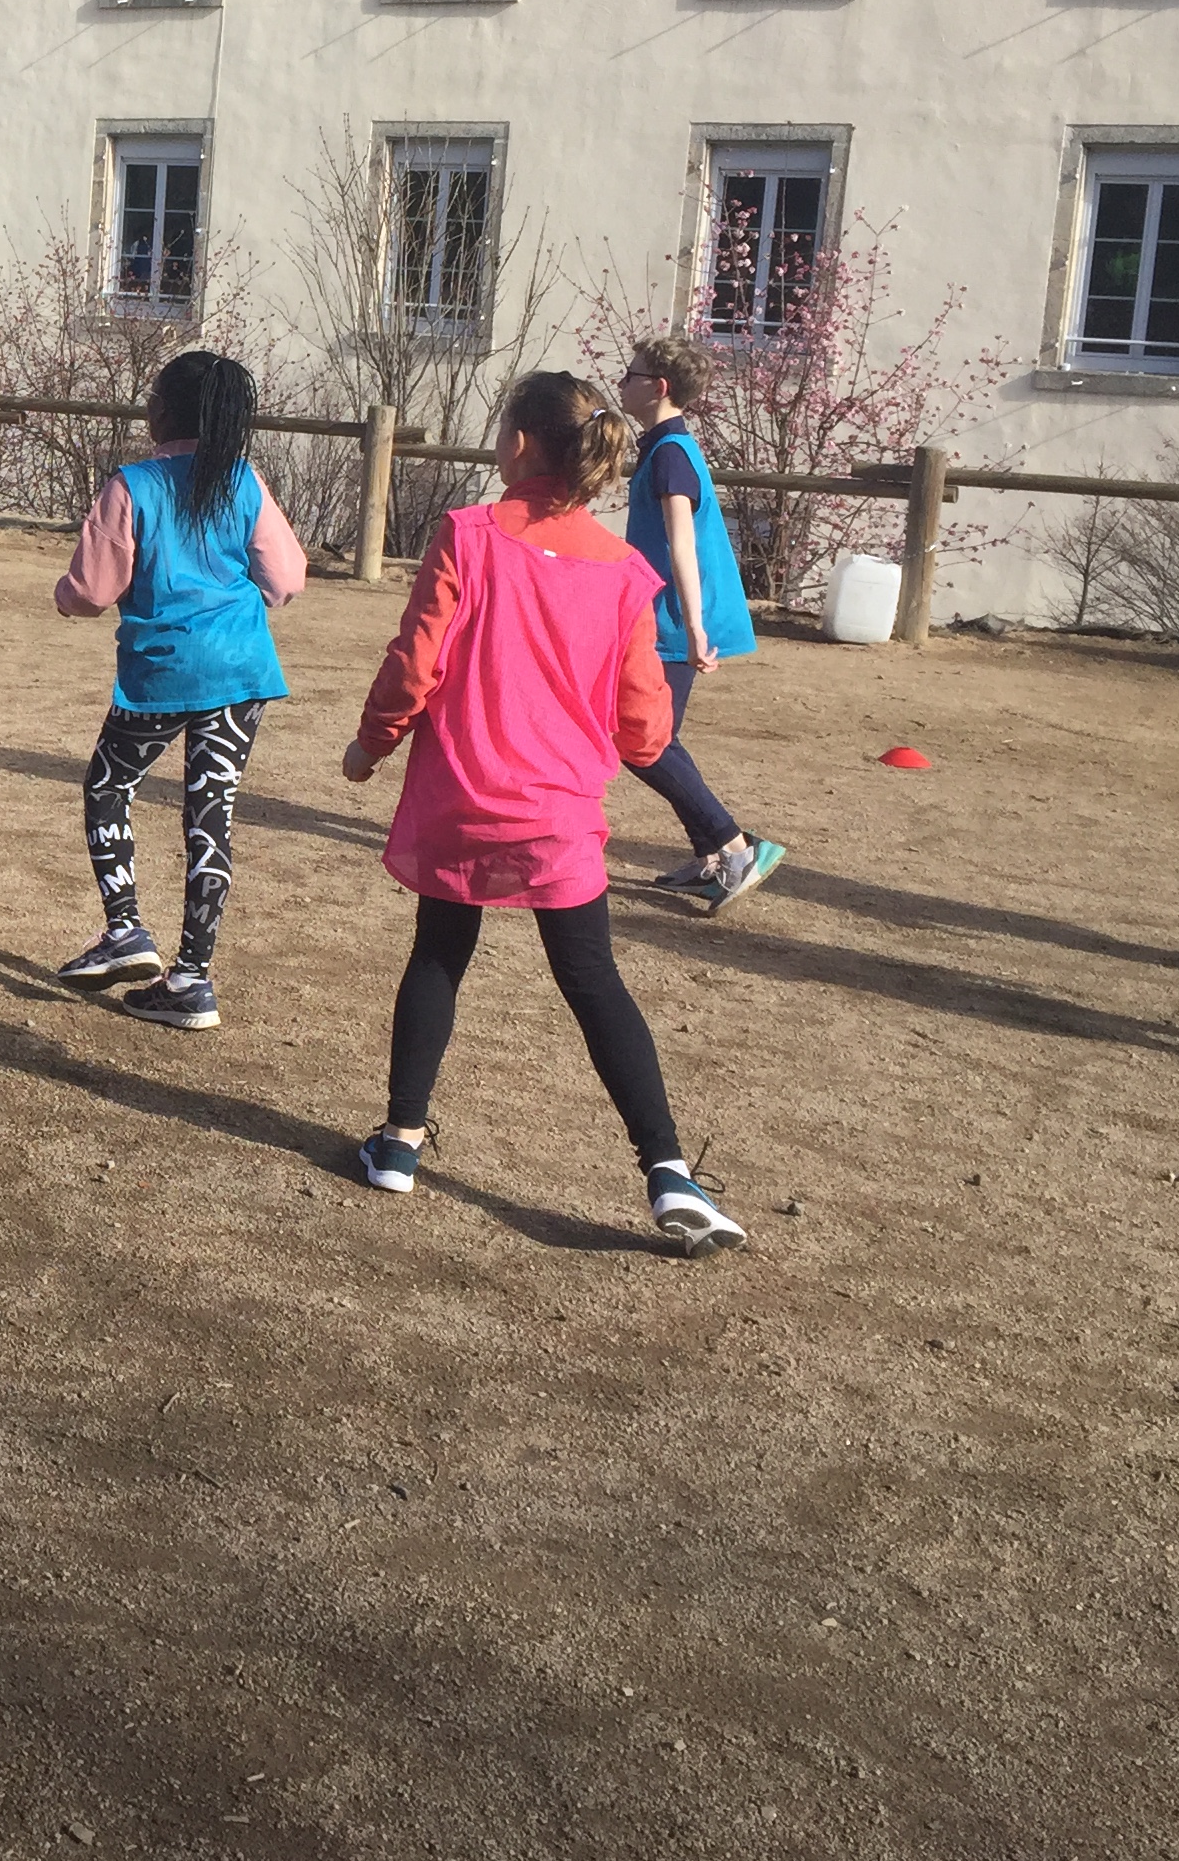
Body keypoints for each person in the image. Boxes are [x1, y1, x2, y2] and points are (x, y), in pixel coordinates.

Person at [341, 371, 746, 1256]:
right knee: (594, 981)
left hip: (460, 796)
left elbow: (417, 661)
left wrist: (371, 745)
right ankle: (669, 1172)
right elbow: (645, 726)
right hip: (558, 813)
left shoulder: (468, 536)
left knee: (439, 953)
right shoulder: (624, 573)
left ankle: (399, 1146)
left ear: (519, 444)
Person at [48, 350, 305, 1031]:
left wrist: (65, 597)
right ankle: (192, 978)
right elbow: (284, 580)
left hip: (163, 672)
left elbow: (93, 591)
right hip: (240, 669)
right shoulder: (242, 481)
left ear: (166, 411)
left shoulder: (132, 485)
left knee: (109, 786)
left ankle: (126, 929)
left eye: (154, 394)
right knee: (209, 813)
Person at [618, 336, 785, 910]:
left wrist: (693, 628)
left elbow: (681, 544)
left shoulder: (671, 454)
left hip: (671, 620)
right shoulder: (663, 447)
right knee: (653, 736)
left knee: (644, 739)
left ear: (658, 389)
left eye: (630, 375)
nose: (621, 384)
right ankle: (713, 856)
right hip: (660, 616)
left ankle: (737, 849)